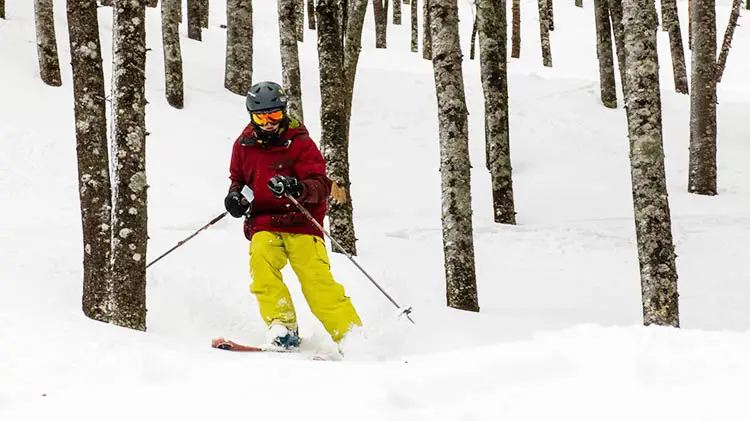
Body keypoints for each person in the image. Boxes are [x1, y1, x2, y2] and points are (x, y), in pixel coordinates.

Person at [224, 81, 362, 349]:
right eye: (261, 116)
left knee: (315, 280)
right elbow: (238, 180)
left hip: (301, 222)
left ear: (284, 112)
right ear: (251, 116)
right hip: (264, 221)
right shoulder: (243, 146)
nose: (268, 122)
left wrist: (297, 187)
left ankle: (350, 335)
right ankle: (283, 326)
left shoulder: (300, 143)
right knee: (262, 263)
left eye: (275, 115)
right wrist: (235, 198)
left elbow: (321, 185)